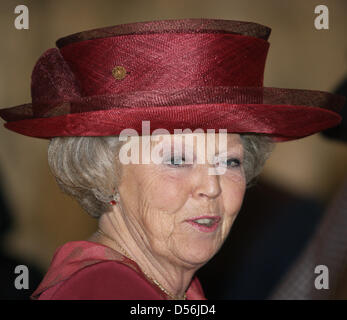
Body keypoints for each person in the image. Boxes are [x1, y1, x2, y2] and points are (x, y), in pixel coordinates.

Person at [0, 18, 344, 300]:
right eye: (178, 160)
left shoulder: (169, 287)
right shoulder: (106, 289)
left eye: (230, 163)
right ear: (105, 173)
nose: (211, 186)